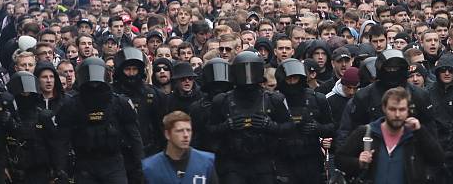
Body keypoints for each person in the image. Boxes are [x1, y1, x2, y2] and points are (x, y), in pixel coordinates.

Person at [56, 57, 145, 184]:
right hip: (84, 163)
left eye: (97, 82)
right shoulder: (72, 105)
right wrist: (61, 169)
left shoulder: (119, 103)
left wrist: (140, 164)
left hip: (113, 162)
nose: (94, 85)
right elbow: (62, 141)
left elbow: (135, 136)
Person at [209, 51, 292, 184]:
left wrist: (270, 126)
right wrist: (226, 126)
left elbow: (290, 127)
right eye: (243, 70)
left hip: (264, 160)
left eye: (251, 70)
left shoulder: (274, 99)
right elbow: (209, 131)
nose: (247, 75)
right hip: (233, 162)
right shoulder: (222, 101)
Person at [335, 86, 444, 183]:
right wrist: (358, 162)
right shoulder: (366, 132)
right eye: (392, 109)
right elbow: (339, 159)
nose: (397, 114)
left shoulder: (415, 136)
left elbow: (438, 159)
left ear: (408, 110)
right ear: (384, 108)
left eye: (401, 110)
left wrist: (421, 131)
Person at [338, 49, 436, 145]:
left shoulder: (419, 95)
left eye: (396, 68)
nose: (393, 72)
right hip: (374, 151)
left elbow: (430, 132)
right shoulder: (364, 96)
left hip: (410, 150)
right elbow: (349, 131)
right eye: (389, 68)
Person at [274, 58, 336, 183]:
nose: (292, 82)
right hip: (283, 159)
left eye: (295, 78)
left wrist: (318, 128)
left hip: (311, 158)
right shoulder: (275, 100)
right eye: (288, 78)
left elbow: (332, 127)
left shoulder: (317, 98)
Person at [5, 71, 67, 183]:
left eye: (29, 92)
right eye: (23, 93)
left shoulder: (43, 116)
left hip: (42, 171)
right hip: (16, 171)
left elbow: (55, 145)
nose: (26, 95)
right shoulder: (8, 117)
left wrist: (58, 171)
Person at [112, 48, 167, 156]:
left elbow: (161, 127)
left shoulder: (154, 94)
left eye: (134, 69)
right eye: (127, 69)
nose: (131, 73)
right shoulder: (112, 94)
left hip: (149, 151)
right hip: (119, 153)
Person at [141, 111, 219, 184]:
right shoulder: (150, 168)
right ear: (167, 134)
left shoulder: (206, 163)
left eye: (188, 130)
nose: (186, 135)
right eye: (180, 131)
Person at [428, 53, 453, 183]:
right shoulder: (429, 92)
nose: (447, 73)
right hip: (435, 146)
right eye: (443, 70)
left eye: (450, 70)